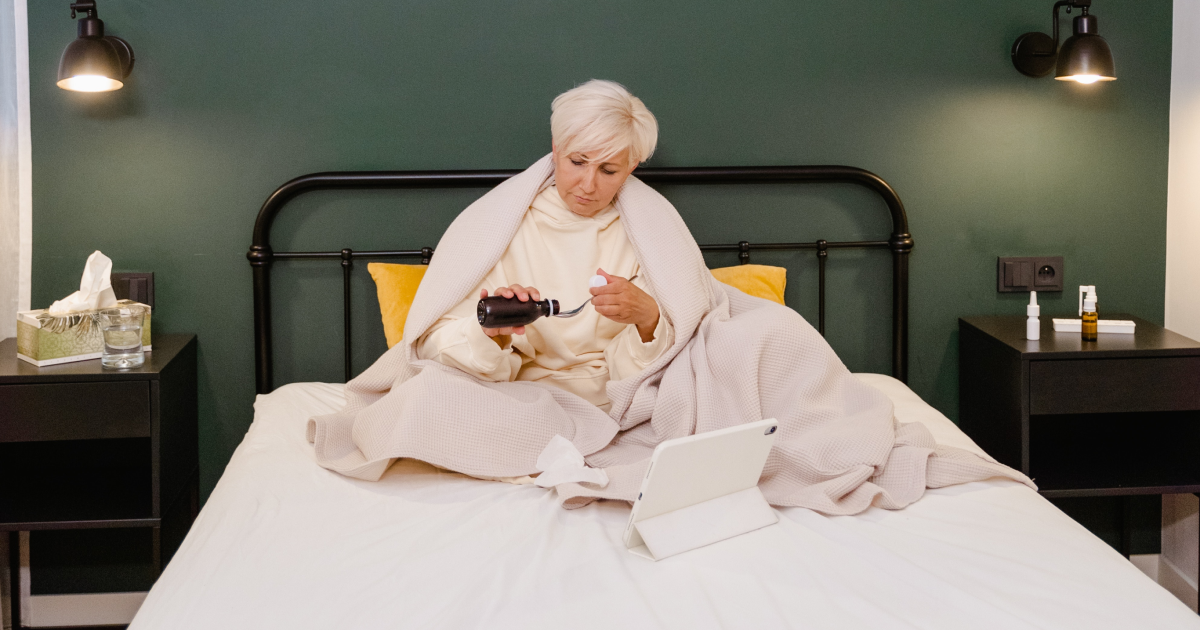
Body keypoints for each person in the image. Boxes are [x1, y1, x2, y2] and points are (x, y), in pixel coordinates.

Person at [415, 80, 671, 411]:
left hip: (621, 402)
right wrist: (491, 334)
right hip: (517, 401)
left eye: (608, 170)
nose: (588, 185)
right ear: (556, 147)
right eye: (577, 162)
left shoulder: (653, 232)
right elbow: (434, 347)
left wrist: (649, 318)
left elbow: (693, 341)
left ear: (631, 167)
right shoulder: (496, 225)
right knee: (424, 405)